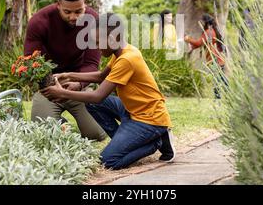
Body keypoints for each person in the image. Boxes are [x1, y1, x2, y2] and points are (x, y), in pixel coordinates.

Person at [40, 13, 176, 170]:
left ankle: (154, 142)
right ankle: (126, 140)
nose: (96, 46)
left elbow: (98, 96)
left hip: (149, 119)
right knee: (90, 103)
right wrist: (68, 75)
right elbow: (100, 76)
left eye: (98, 42)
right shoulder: (122, 52)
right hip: (133, 110)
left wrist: (61, 93)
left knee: (108, 161)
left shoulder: (127, 59)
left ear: (113, 38)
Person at [24, 0, 106, 141]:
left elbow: (91, 63)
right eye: (67, 12)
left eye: (78, 11)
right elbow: (32, 62)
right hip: (50, 88)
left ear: (85, 4)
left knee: (96, 135)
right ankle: (60, 122)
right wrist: (52, 86)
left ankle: (68, 121)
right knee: (44, 133)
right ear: (58, 5)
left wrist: (77, 84)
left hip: (78, 86)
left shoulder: (93, 20)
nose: (73, 17)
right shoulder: (39, 22)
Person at [184, 14, 227, 99]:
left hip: (215, 60)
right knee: (219, 79)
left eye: (201, 21)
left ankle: (220, 97)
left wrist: (188, 39)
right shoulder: (210, 31)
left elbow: (199, 43)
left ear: (205, 22)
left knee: (219, 80)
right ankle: (219, 97)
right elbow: (202, 43)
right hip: (217, 59)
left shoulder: (209, 32)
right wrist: (192, 46)